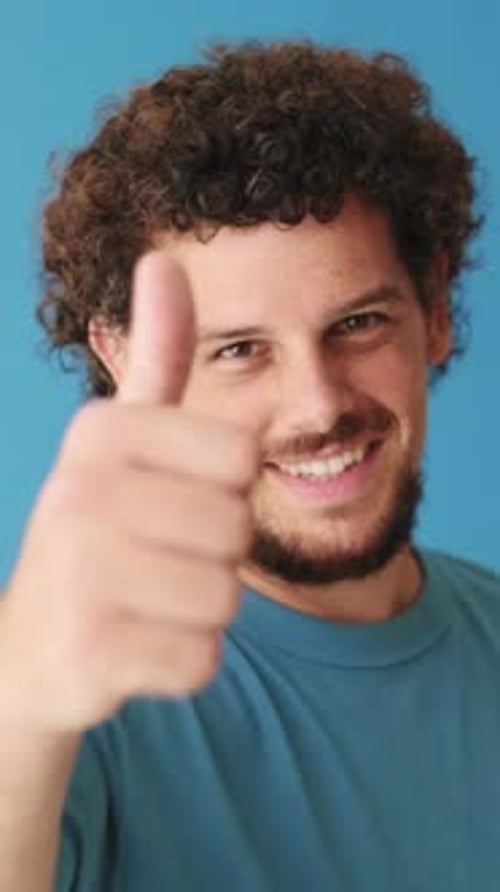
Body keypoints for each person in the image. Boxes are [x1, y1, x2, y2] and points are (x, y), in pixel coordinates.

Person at [0, 39, 498, 891]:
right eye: (239, 349)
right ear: (123, 359)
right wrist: (22, 709)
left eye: (358, 324)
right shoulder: (71, 700)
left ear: (436, 310)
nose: (318, 406)